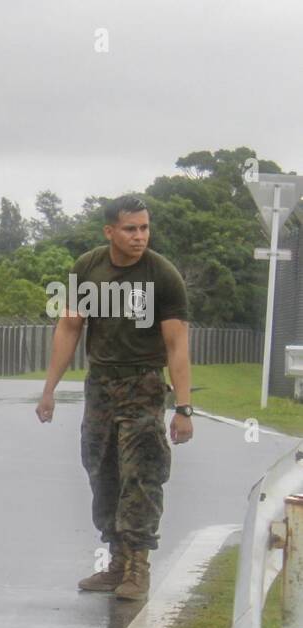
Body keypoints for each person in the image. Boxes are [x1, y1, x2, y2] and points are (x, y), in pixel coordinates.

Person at [36, 194, 193, 601]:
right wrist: (49, 389)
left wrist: (183, 409)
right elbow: (70, 327)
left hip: (142, 386)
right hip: (100, 386)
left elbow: (177, 344)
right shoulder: (88, 268)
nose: (139, 236)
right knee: (101, 469)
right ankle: (116, 560)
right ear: (109, 231)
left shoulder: (163, 276)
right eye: (130, 229)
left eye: (144, 228)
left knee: (140, 475)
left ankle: (138, 565)